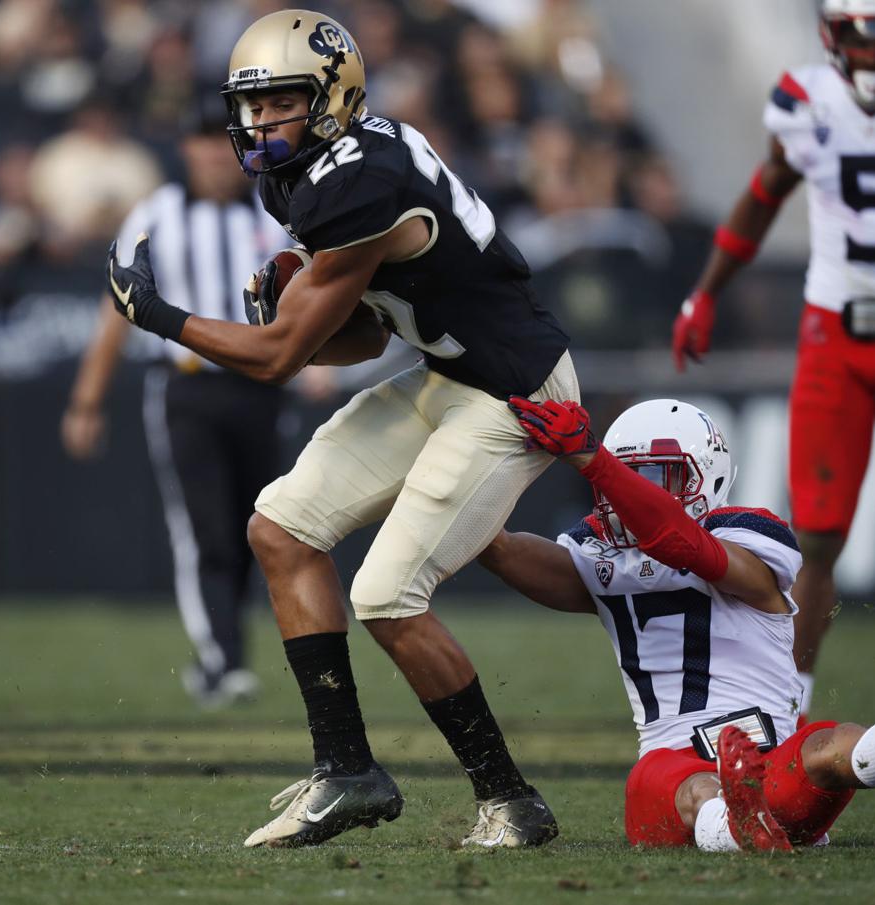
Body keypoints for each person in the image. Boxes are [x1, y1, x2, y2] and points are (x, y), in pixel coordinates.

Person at [104, 10, 577, 848]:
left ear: (333, 95)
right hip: (448, 370)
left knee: (387, 596)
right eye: (250, 104)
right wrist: (309, 297)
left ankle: (511, 799)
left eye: (281, 100)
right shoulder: (304, 172)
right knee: (281, 527)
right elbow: (368, 331)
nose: (260, 123)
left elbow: (283, 356)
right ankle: (347, 770)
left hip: (514, 392)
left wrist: (164, 317)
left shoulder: (358, 177)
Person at [671, 0, 875, 713]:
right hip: (834, 341)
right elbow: (764, 195)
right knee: (817, 536)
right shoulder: (805, 102)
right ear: (831, 34)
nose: (871, 51)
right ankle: (791, 699)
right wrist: (705, 294)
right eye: (856, 33)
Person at [479, 396, 875, 851]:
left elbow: (683, 546)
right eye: (628, 477)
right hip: (702, 774)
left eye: (656, 476)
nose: (630, 494)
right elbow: (496, 547)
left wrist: (595, 460)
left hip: (756, 763)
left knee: (819, 745)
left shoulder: (743, 534)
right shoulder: (596, 553)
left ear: (707, 477)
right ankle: (754, 810)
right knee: (776, 762)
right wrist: (436, 486)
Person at [63, 101, 290, 706]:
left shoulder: (277, 209)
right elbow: (117, 308)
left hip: (261, 385)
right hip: (187, 385)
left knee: (259, 527)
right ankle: (223, 660)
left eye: (224, 146)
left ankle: (223, 653)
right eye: (204, 147)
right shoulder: (156, 214)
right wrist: (87, 400)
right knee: (203, 529)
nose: (216, 159)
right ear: (188, 154)